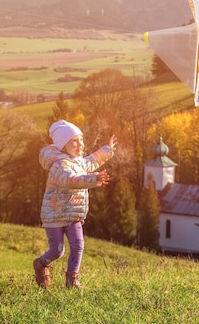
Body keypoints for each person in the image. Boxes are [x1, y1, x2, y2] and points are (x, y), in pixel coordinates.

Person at [33, 120, 117, 289]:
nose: (80, 144)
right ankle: (41, 264)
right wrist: (94, 179)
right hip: (55, 215)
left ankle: (72, 281)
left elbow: (92, 160)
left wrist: (107, 150)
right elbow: (71, 181)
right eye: (74, 141)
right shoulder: (60, 165)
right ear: (63, 145)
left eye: (81, 140)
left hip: (74, 214)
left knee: (78, 245)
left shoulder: (79, 162)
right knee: (57, 251)